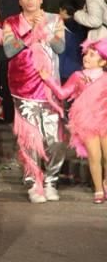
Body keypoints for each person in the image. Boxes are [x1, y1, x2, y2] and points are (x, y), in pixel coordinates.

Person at [2, 0, 67, 204]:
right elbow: (9, 50)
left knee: (55, 139)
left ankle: (50, 180)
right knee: (29, 140)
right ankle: (33, 183)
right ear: (19, 0)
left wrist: (45, 30)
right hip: (23, 87)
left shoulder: (55, 19)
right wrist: (32, 31)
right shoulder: (11, 22)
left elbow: (60, 48)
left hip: (50, 88)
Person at [40, 39, 107, 203]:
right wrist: (48, 79)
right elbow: (63, 94)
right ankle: (98, 190)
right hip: (87, 122)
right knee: (94, 156)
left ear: (103, 61)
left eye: (92, 55)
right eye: (86, 54)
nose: (87, 58)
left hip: (105, 119)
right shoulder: (78, 76)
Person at [58, 0, 87, 84]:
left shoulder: (61, 28)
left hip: (65, 70)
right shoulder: (84, 26)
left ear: (64, 11)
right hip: (80, 68)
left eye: (60, 10)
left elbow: (61, 51)